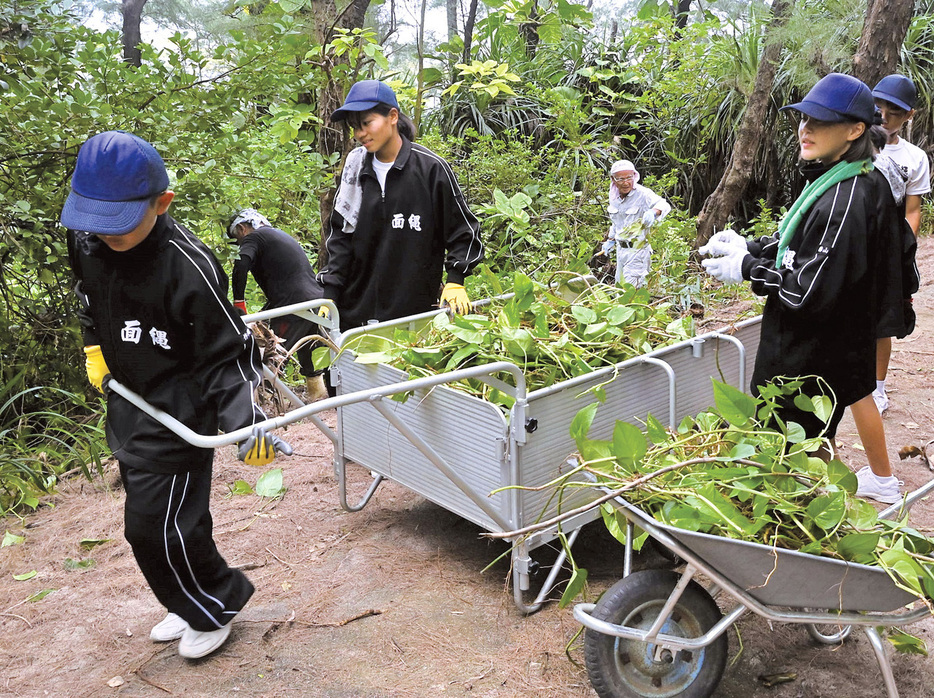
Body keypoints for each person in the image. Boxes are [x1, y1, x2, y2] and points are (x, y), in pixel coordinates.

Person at [63, 131, 291, 659]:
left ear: (161, 203)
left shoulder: (189, 265)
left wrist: (244, 422)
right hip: (130, 399)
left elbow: (226, 355)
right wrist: (94, 345)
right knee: (170, 522)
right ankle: (192, 595)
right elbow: (86, 296)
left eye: (117, 227)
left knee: (151, 526)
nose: (102, 237)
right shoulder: (89, 236)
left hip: (181, 409)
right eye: (94, 223)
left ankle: (210, 606)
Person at [699, 73, 907, 503]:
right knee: (810, 445)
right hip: (824, 348)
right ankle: (821, 504)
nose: (805, 129)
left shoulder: (847, 197)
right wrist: (751, 246)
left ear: (854, 131)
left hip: (806, 357)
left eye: (820, 121)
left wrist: (749, 268)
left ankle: (791, 526)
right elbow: (802, 245)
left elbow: (805, 293)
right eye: (803, 118)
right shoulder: (843, 177)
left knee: (789, 453)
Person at [317, 79, 484, 331]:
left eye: (366, 123)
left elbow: (464, 231)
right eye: (354, 127)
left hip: (413, 317)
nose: (359, 134)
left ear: (392, 116)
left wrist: (455, 280)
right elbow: (340, 238)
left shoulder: (431, 169)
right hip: (356, 315)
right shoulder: (355, 170)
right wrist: (330, 292)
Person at [870, 74, 929, 414]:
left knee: (883, 321)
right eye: (879, 106)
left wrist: (904, 252)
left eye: (895, 110)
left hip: (890, 249)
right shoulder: (855, 144)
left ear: (909, 115)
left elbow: (912, 209)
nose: (885, 115)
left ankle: (877, 388)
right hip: (854, 242)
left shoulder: (915, 158)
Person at [227, 208, 328, 401]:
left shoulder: (255, 236)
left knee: (270, 353)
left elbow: (241, 264)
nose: (238, 243)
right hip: (314, 298)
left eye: (236, 238)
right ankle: (317, 394)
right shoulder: (276, 235)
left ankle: (256, 405)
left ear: (242, 228)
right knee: (307, 345)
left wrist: (239, 301)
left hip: (294, 302)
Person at [600, 159, 671, 288]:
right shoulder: (614, 197)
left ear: (635, 176)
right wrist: (610, 240)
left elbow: (664, 205)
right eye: (621, 179)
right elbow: (617, 222)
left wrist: (653, 212)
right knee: (620, 288)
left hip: (638, 251)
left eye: (629, 177)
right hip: (621, 251)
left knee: (631, 291)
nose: (626, 182)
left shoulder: (643, 194)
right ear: (613, 179)